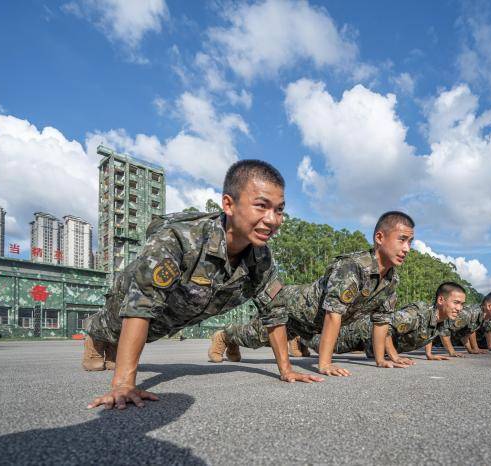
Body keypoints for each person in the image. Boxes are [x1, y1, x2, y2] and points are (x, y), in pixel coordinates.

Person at [85, 160, 320, 411]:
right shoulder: (180, 239)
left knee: (143, 336)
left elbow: (275, 313)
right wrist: (123, 384)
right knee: (106, 341)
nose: (273, 220)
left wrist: (286, 370)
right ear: (228, 204)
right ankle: (96, 339)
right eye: (261, 206)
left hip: (170, 320)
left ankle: (115, 351)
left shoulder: (261, 258)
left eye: (279, 210)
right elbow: (140, 305)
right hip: (125, 311)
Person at [212, 211, 416, 378]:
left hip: (313, 324)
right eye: (402, 240)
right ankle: (225, 335)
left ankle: (289, 340)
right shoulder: (353, 267)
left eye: (410, 242)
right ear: (380, 238)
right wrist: (325, 364)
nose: (407, 248)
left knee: (263, 340)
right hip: (294, 307)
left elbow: (381, 321)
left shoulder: (391, 280)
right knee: (256, 336)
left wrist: (381, 360)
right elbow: (333, 314)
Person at [296, 281, 467, 361]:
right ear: (441, 301)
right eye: (456, 302)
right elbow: (387, 325)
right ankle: (298, 335)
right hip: (363, 331)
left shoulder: (441, 319)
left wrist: (429, 354)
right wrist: (394, 356)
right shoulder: (418, 314)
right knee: (330, 346)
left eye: (462, 304)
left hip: (372, 343)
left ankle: (302, 335)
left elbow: (428, 332)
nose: (459, 308)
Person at [439, 291, 491, 356]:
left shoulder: (480, 317)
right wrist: (452, 352)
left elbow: (464, 335)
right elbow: (443, 329)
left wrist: (471, 350)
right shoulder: (469, 314)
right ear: (489, 306)